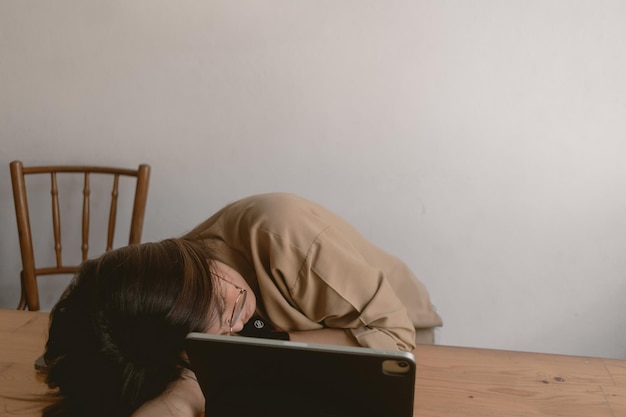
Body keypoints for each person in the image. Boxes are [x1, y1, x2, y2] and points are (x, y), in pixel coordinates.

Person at [41, 193, 442, 417]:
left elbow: (394, 340)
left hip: (399, 334)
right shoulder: (164, 299)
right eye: (218, 326)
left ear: (190, 258)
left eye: (221, 297)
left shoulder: (285, 236)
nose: (237, 311)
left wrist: (252, 350)